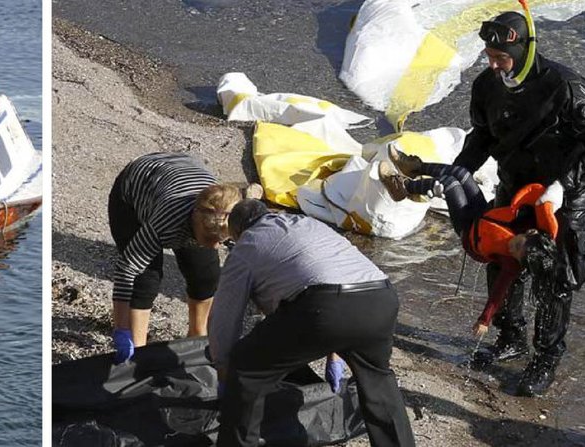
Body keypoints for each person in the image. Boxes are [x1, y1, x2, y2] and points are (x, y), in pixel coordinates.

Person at [453, 7, 585, 396]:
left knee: (552, 270)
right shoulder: (487, 86)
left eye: (501, 58)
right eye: (489, 58)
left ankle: (546, 357)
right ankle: (510, 338)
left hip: (567, 188)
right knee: (501, 255)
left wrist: (561, 185)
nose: (494, 66)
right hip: (516, 180)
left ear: (523, 51)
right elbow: (483, 136)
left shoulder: (565, 87)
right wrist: (459, 170)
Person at [209, 199, 415, 447]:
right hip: (380, 297)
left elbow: (224, 316)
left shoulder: (246, 245)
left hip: (325, 306)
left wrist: (224, 372)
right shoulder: (308, 223)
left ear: (239, 231)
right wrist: (334, 356)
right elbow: (325, 282)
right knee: (378, 381)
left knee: (246, 366)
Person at [379, 148, 559, 336]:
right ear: (530, 232)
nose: (512, 249)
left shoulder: (511, 265)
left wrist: (484, 320)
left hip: (469, 231)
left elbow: (498, 294)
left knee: (449, 184)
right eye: (518, 244)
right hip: (481, 215)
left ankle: (403, 188)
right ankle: (414, 167)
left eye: (516, 253)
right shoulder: (529, 224)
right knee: (462, 173)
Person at [107, 152, 250, 364]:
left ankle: (196, 336)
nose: (217, 246)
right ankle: (138, 351)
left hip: (182, 171)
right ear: (194, 222)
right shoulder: (167, 220)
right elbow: (128, 269)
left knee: (205, 275)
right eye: (210, 238)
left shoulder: (231, 217)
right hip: (134, 191)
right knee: (146, 279)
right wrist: (121, 328)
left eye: (221, 240)